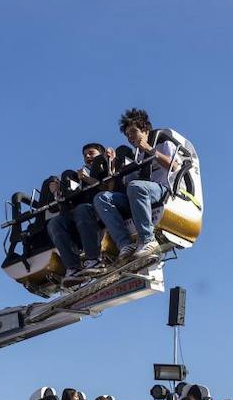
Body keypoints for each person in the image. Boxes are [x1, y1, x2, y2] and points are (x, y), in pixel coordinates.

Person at [91, 108, 177, 263]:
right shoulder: (137, 156)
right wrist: (112, 166)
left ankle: (148, 239)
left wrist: (150, 150)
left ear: (145, 129)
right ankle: (125, 244)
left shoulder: (163, 143)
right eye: (127, 135)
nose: (130, 137)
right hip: (138, 193)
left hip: (162, 190)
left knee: (137, 186)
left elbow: (174, 166)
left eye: (133, 132)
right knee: (101, 198)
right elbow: (125, 186)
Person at [47, 143, 110, 287]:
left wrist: (88, 179)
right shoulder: (77, 175)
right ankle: (73, 268)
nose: (87, 156)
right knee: (55, 223)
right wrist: (56, 188)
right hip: (78, 218)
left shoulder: (104, 166)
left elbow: (108, 187)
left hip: (99, 212)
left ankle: (94, 259)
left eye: (91, 153)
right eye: (85, 155)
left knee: (82, 209)